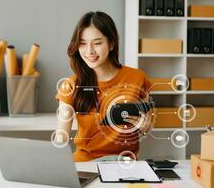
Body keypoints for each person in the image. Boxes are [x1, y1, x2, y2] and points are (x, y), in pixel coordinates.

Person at [55, 11, 153, 162]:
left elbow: (147, 125)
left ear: (111, 43)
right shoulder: (71, 85)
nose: (89, 51)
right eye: (82, 43)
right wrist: (53, 157)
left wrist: (145, 126)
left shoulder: (138, 78)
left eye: (97, 43)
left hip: (125, 164)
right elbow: (62, 134)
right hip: (85, 164)